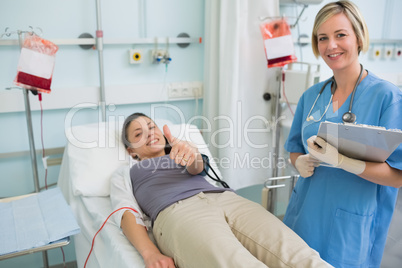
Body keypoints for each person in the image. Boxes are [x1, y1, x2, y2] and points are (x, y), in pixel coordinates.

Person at [110, 112, 332, 268]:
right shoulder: (127, 172)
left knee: (299, 256)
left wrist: (193, 154)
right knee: (236, 262)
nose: (149, 133)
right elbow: (126, 213)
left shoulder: (183, 151)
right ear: (131, 151)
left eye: (152, 127)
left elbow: (199, 169)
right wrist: (151, 254)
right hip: (178, 212)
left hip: (227, 200)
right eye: (139, 134)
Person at [283, 1, 402, 267]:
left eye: (340, 35)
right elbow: (294, 148)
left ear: (359, 37)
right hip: (304, 215)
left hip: (351, 225)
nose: (330, 46)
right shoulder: (311, 97)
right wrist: (298, 162)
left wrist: (345, 162)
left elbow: (398, 177)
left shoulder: (387, 98)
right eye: (322, 38)